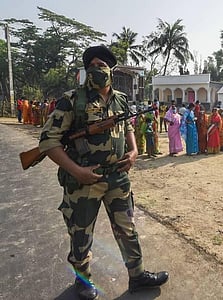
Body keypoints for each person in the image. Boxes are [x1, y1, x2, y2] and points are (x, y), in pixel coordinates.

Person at [38, 45, 168, 300]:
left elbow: (127, 125)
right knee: (81, 232)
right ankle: (82, 280)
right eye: (91, 66)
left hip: (118, 176)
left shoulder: (120, 98)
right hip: (85, 180)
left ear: (111, 70)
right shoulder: (72, 99)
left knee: (127, 228)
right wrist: (77, 171)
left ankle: (138, 276)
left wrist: (132, 152)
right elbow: (48, 141)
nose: (96, 70)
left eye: (101, 66)